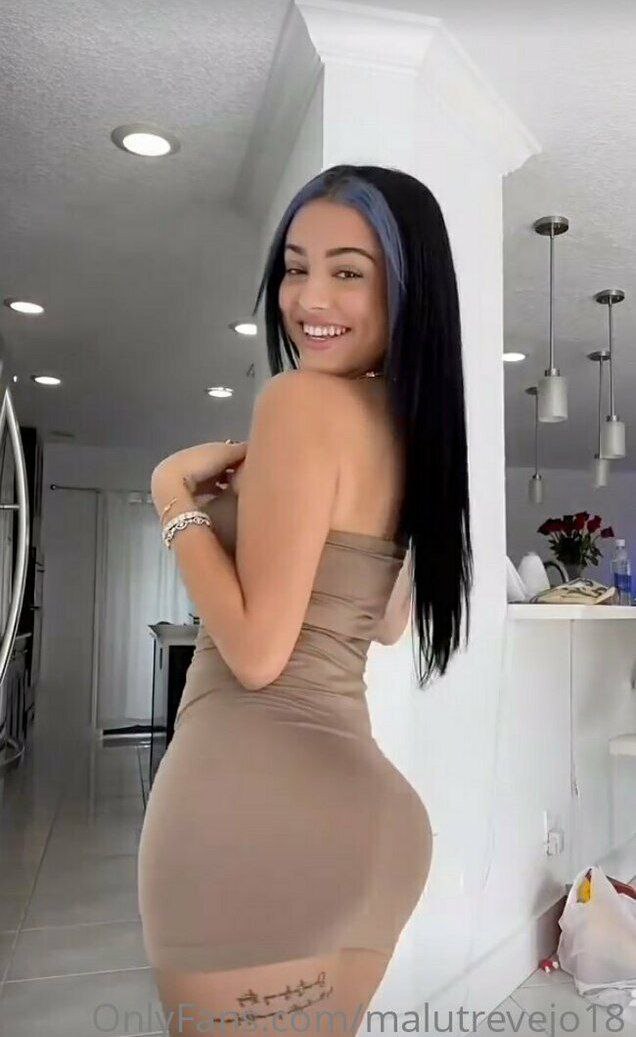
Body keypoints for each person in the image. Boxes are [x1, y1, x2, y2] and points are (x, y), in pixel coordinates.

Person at [137, 164, 473, 1036]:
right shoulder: (411, 429)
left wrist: (172, 499)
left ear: (408, 288)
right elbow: (387, 621)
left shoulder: (300, 402)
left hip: (252, 817)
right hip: (374, 829)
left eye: (348, 270)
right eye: (295, 267)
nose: (309, 298)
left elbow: (256, 655)